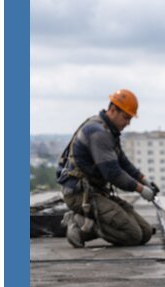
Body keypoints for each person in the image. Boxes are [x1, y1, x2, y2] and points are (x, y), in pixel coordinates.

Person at [57, 89, 159, 248]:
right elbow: (113, 173)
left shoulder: (109, 131)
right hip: (79, 194)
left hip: (96, 192)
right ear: (113, 111)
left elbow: (123, 163)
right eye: (126, 117)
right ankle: (78, 222)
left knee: (145, 233)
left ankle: (86, 223)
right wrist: (140, 189)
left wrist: (145, 180)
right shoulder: (98, 133)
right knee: (133, 235)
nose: (128, 123)